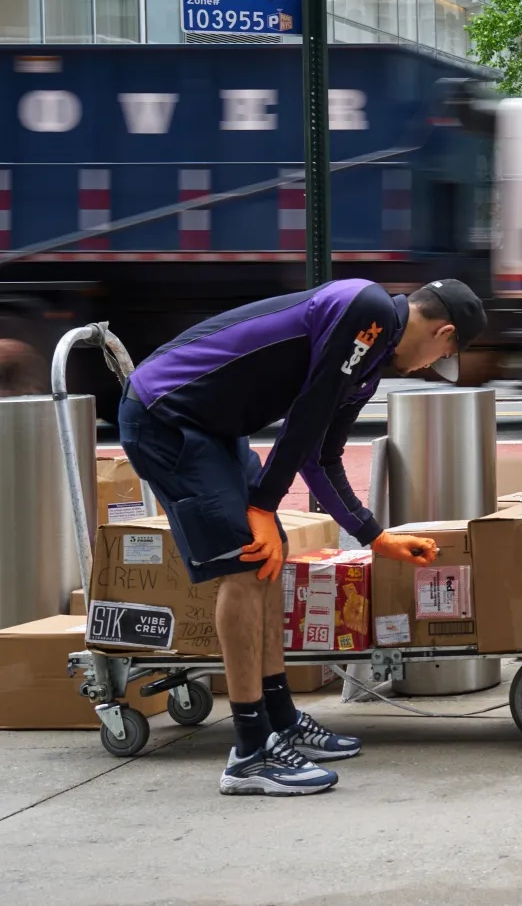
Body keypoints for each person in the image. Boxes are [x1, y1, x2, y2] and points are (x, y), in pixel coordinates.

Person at [120, 278, 486, 796]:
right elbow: (308, 410)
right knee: (247, 562)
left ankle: (280, 720)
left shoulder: (368, 363)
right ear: (443, 333)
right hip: (166, 414)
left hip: (212, 426)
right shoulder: (368, 309)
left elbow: (320, 455)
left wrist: (373, 535)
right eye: (441, 354)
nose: (429, 366)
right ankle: (249, 752)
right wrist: (262, 504)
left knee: (272, 556)